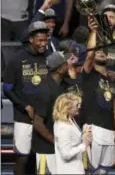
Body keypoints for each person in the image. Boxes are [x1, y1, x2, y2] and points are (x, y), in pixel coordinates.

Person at [3, 21, 49, 175]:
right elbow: (7, 88)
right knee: (23, 157)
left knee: (41, 158)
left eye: (45, 40)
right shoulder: (17, 60)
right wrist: (25, 106)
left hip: (45, 118)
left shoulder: (49, 58)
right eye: (40, 40)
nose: (43, 44)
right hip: (24, 118)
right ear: (31, 39)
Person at [80, 16, 115, 174]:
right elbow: (89, 54)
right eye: (98, 50)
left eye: (103, 50)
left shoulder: (113, 80)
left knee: (103, 172)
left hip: (110, 132)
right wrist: (94, 31)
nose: (101, 52)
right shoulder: (89, 75)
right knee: (89, 170)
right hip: (92, 129)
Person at [32, 51, 79, 174]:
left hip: (59, 148)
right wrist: (56, 141)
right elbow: (37, 123)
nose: (68, 65)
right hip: (46, 149)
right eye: (65, 63)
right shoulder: (45, 90)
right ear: (60, 68)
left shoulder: (63, 85)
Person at [53, 93, 92, 174]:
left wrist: (85, 132)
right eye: (77, 105)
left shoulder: (70, 120)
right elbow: (66, 154)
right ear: (67, 108)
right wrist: (84, 145)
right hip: (69, 170)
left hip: (76, 168)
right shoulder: (63, 127)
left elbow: (73, 140)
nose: (79, 107)